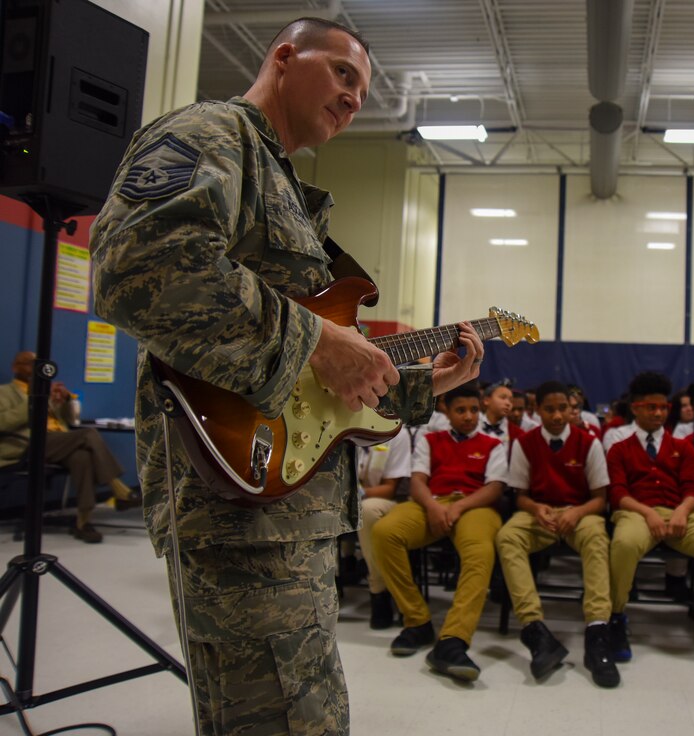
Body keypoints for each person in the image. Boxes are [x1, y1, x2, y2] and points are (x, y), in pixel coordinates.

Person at [89, 17, 484, 734]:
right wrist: (314, 341)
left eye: (363, 90)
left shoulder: (286, 187)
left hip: (285, 507)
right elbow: (136, 267)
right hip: (231, 506)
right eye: (342, 74)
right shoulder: (213, 135)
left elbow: (315, 392)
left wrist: (432, 386)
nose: (355, 98)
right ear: (282, 57)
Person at [606, 372, 694, 672]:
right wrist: (648, 513)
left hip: (682, 511)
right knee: (624, 543)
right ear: (637, 408)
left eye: (663, 408)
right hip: (637, 512)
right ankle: (614, 618)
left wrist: (683, 510)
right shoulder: (620, 448)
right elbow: (617, 493)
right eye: (651, 407)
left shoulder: (683, 447)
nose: (658, 413)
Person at [371, 383, 505, 681]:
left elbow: (494, 488)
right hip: (432, 503)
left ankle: (453, 640)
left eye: (473, 409)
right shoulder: (429, 440)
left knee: (480, 552)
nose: (468, 416)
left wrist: (457, 509)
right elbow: (418, 480)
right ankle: (417, 621)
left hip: (474, 506)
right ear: (445, 409)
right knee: (384, 531)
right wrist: (433, 507)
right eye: (461, 410)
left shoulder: (494, 444)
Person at [495, 380, 618, 687]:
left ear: (571, 408)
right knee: (507, 536)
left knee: (596, 537)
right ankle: (535, 629)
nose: (557, 416)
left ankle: (598, 630)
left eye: (563, 408)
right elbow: (520, 495)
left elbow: (600, 500)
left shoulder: (588, 443)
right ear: (538, 411)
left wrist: (576, 512)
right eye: (549, 409)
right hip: (541, 512)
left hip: (580, 512)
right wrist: (536, 509)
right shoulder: (524, 443)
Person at [0, 351, 138, 543]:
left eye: (38, 364)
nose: (34, 369)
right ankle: (119, 489)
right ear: (16, 367)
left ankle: (83, 522)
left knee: (81, 456)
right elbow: (3, 423)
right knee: (88, 434)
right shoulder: (5, 393)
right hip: (27, 445)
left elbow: (68, 420)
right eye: (29, 364)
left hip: (56, 441)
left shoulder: (45, 390)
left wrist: (65, 401)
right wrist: (35, 399)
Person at [354, 428, 412, 629]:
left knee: (367, 511)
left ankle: (378, 591)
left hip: (388, 502)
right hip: (346, 498)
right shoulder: (344, 427)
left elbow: (390, 488)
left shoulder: (396, 433)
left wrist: (355, 493)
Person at [478, 381, 524, 452]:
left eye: (511, 400)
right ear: (486, 400)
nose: (508, 403)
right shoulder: (471, 425)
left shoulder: (518, 434)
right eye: (503, 398)